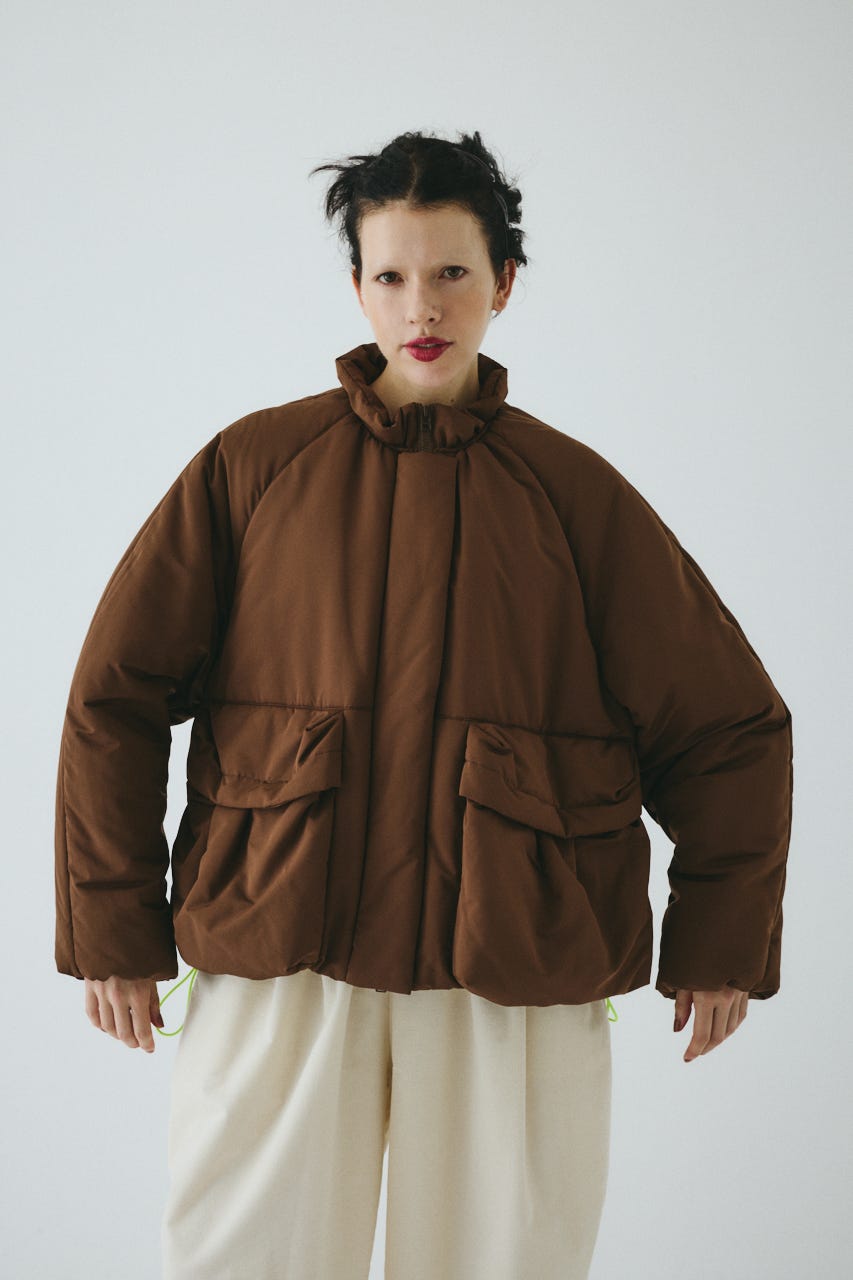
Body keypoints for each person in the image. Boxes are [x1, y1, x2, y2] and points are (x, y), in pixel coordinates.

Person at [54, 128, 793, 1280]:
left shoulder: (574, 496)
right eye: (392, 274)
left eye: (452, 271)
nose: (422, 306)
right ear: (357, 286)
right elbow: (116, 693)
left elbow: (727, 725)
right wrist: (113, 923)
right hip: (281, 945)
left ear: (504, 282)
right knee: (245, 1257)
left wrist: (719, 939)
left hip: (512, 960)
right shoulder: (254, 470)